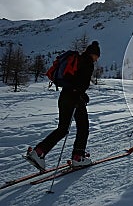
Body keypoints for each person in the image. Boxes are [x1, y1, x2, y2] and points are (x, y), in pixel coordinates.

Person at [27, 41, 100, 169]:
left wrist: (81, 93)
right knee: (83, 127)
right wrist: (81, 93)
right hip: (75, 99)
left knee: (62, 128)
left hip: (65, 96)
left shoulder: (77, 59)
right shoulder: (87, 63)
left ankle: (38, 152)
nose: (97, 59)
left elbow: (72, 80)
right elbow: (80, 83)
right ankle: (78, 157)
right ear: (93, 54)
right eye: (97, 56)